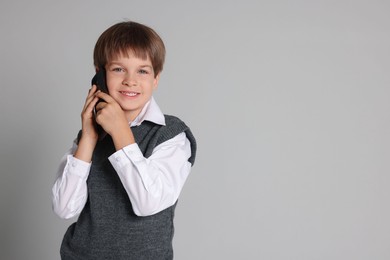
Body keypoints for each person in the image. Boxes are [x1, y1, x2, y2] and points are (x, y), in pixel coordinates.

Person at [51, 21, 197, 260]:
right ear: (99, 74)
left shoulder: (172, 135)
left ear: (156, 78)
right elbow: (64, 208)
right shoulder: (89, 136)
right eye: (119, 69)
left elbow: (147, 203)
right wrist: (88, 138)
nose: (131, 80)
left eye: (142, 70)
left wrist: (121, 133)